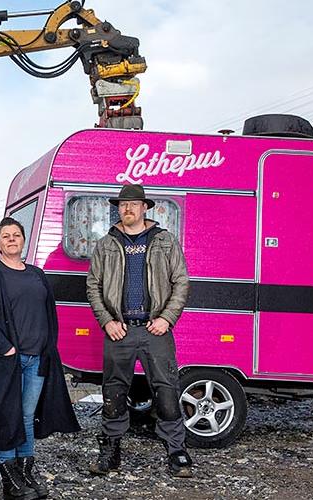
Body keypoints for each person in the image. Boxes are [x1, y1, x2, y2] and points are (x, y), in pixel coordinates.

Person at [85, 184, 192, 478]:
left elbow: (181, 281)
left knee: (167, 391)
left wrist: (167, 318)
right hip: (118, 331)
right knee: (113, 392)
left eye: (133, 204)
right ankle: (110, 453)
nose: (128, 209)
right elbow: (93, 286)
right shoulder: (106, 244)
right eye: (123, 205)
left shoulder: (164, 240)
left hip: (155, 329)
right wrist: (107, 320)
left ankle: (177, 452)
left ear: (145, 207)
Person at [0, 217, 81, 499]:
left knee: (26, 415)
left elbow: (49, 313)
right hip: (6, 360)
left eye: (16, 235)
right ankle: (9, 480)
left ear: (23, 240)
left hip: (37, 359)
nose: (11, 239)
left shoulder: (37, 274)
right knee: (7, 414)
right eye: (5, 235)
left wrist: (49, 348)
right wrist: (5, 348)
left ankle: (25, 473)